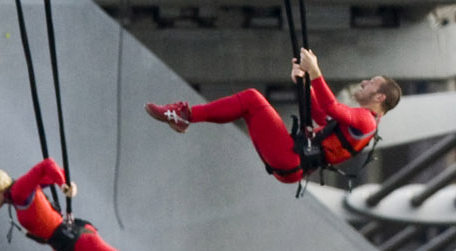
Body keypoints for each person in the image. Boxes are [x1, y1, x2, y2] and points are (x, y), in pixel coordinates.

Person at [144, 48, 400, 183]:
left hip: (292, 159)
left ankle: (185, 116)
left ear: (380, 98)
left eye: (372, 83)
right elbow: (322, 118)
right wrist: (305, 84)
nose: (365, 82)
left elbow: (331, 108)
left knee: (252, 98)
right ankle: (184, 118)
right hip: (290, 165)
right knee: (246, 106)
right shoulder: (363, 122)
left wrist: (315, 71)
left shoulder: (366, 120)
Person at [0, 158, 215, 251]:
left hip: (81, 244)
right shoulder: (19, 195)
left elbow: (46, 166)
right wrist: (63, 182)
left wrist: (63, 182)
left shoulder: (19, 191)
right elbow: (49, 174)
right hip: (77, 245)